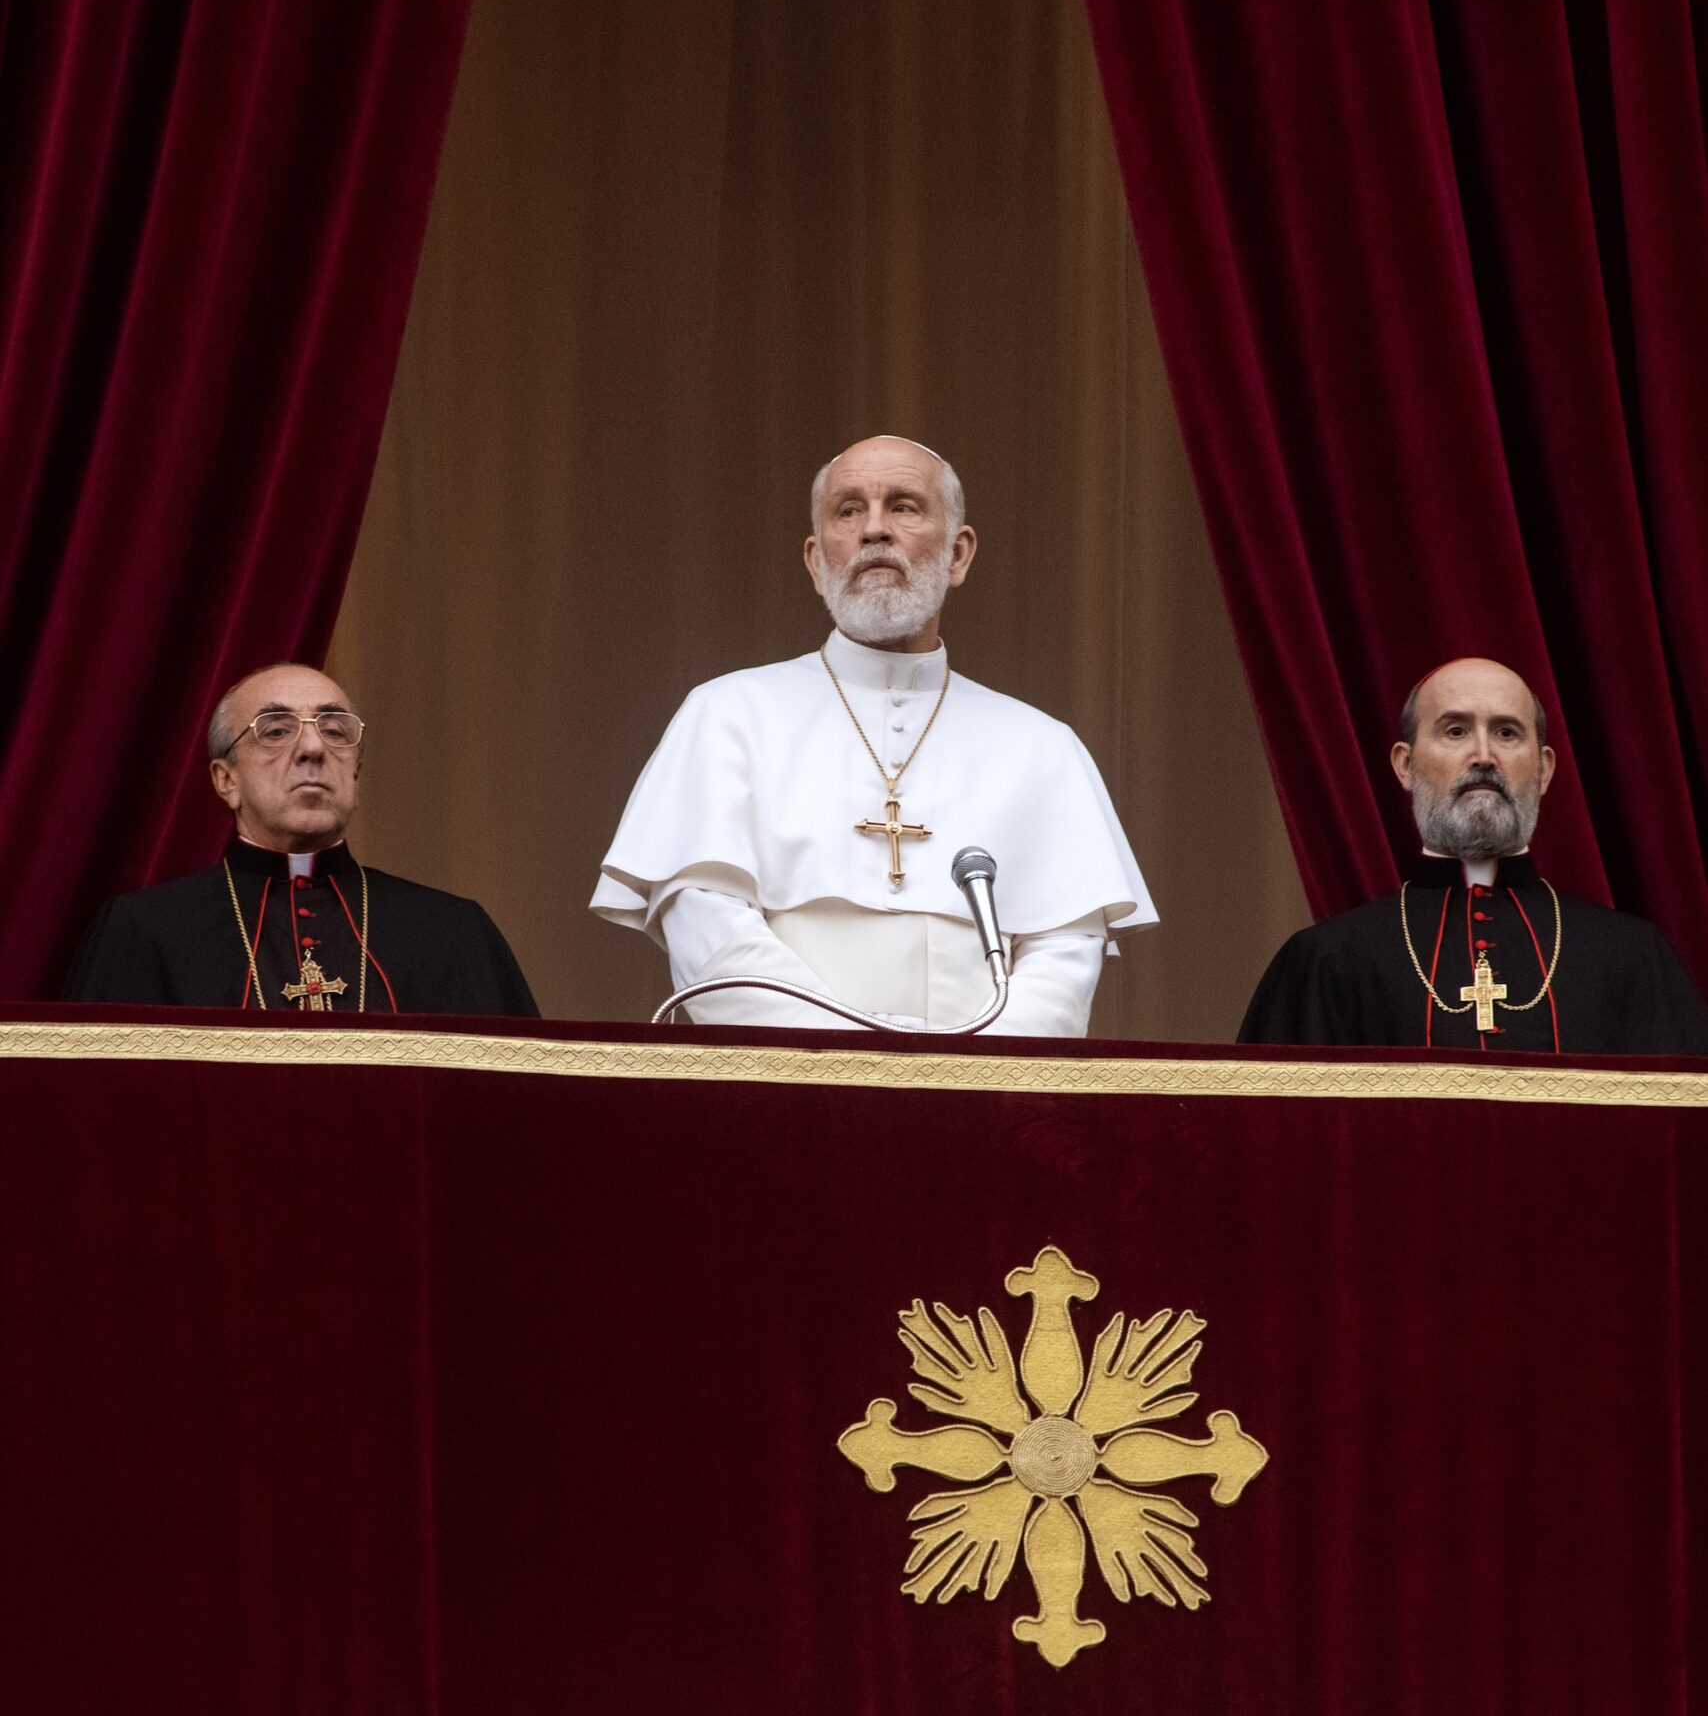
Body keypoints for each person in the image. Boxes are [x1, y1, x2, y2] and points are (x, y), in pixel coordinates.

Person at [593, 435, 1153, 1034]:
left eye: (905, 506)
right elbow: (709, 934)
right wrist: (858, 1067)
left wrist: (966, 1083)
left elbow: (1061, 968)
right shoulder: (726, 715)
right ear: (816, 560)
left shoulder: (1043, 748)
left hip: (977, 1109)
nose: (874, 530)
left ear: (959, 554)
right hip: (786, 1095)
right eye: (849, 510)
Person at [1239, 657, 1708, 1054]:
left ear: (1543, 770)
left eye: (1506, 733)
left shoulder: (1634, 958)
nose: (1483, 755)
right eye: (1456, 730)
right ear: (1406, 765)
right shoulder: (1326, 962)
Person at [66, 664, 538, 1016]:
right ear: (225, 779)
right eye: (275, 731)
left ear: (355, 771)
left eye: (335, 731)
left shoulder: (453, 932)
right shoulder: (143, 933)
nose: (313, 748)